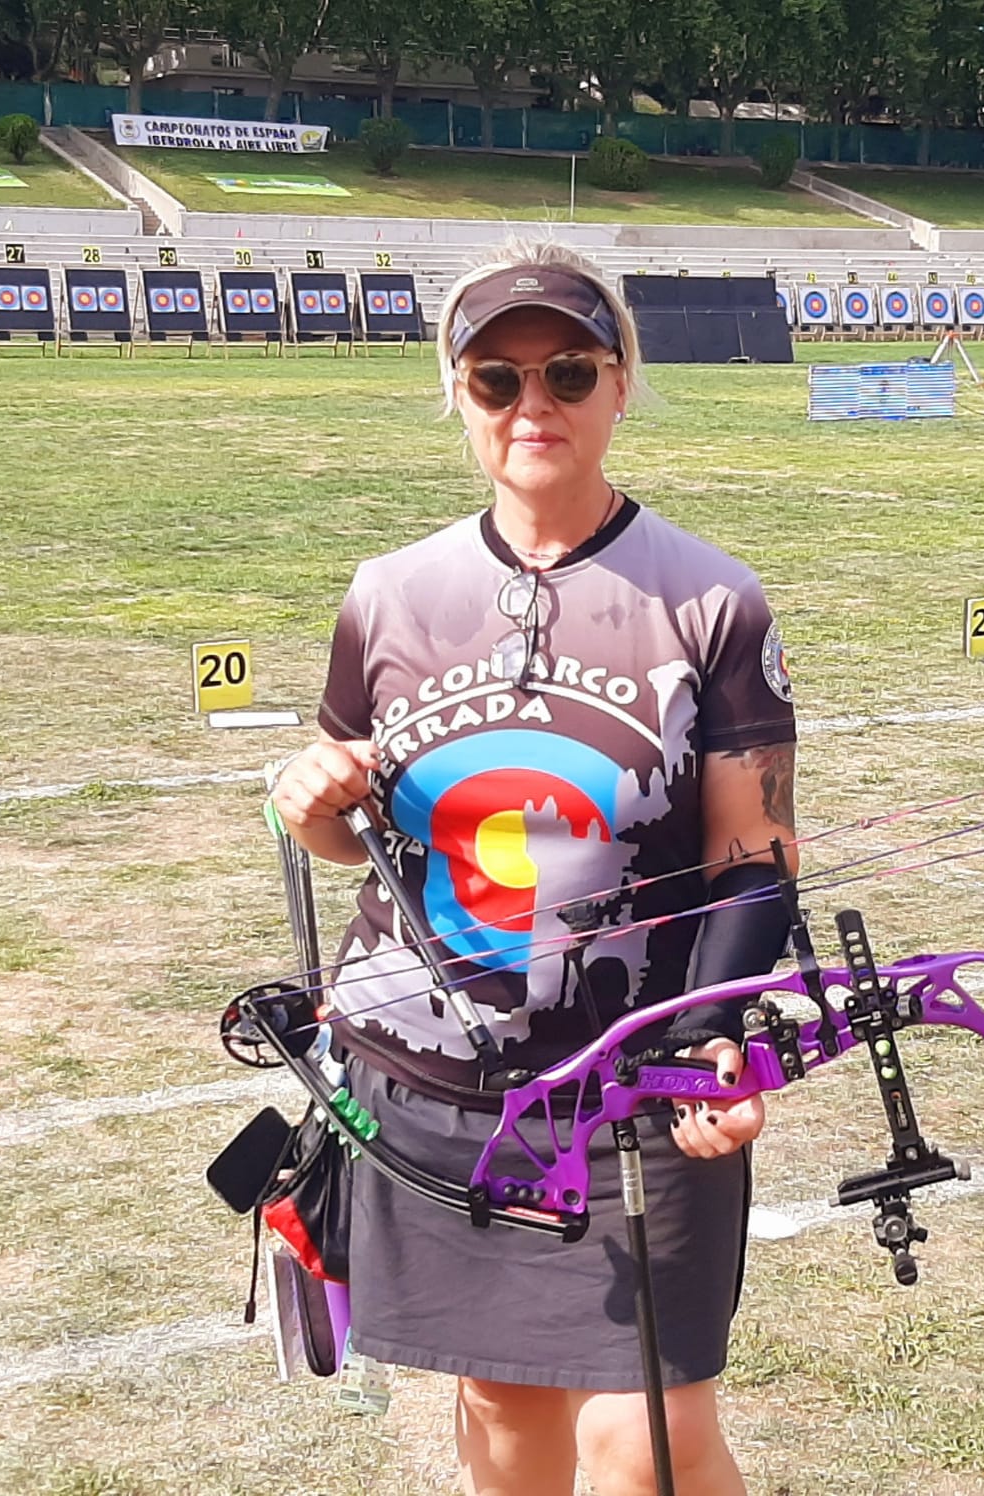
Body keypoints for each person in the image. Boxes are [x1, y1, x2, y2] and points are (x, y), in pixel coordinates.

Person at [270, 239, 798, 1496]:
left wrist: (711, 1031)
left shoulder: (711, 599)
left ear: (620, 383)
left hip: (634, 1088)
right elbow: (368, 841)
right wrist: (314, 813)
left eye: (566, 370)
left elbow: (755, 862)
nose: (533, 407)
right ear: (457, 398)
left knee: (647, 1443)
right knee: (502, 1415)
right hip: (431, 1086)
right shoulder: (387, 596)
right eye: (495, 381)